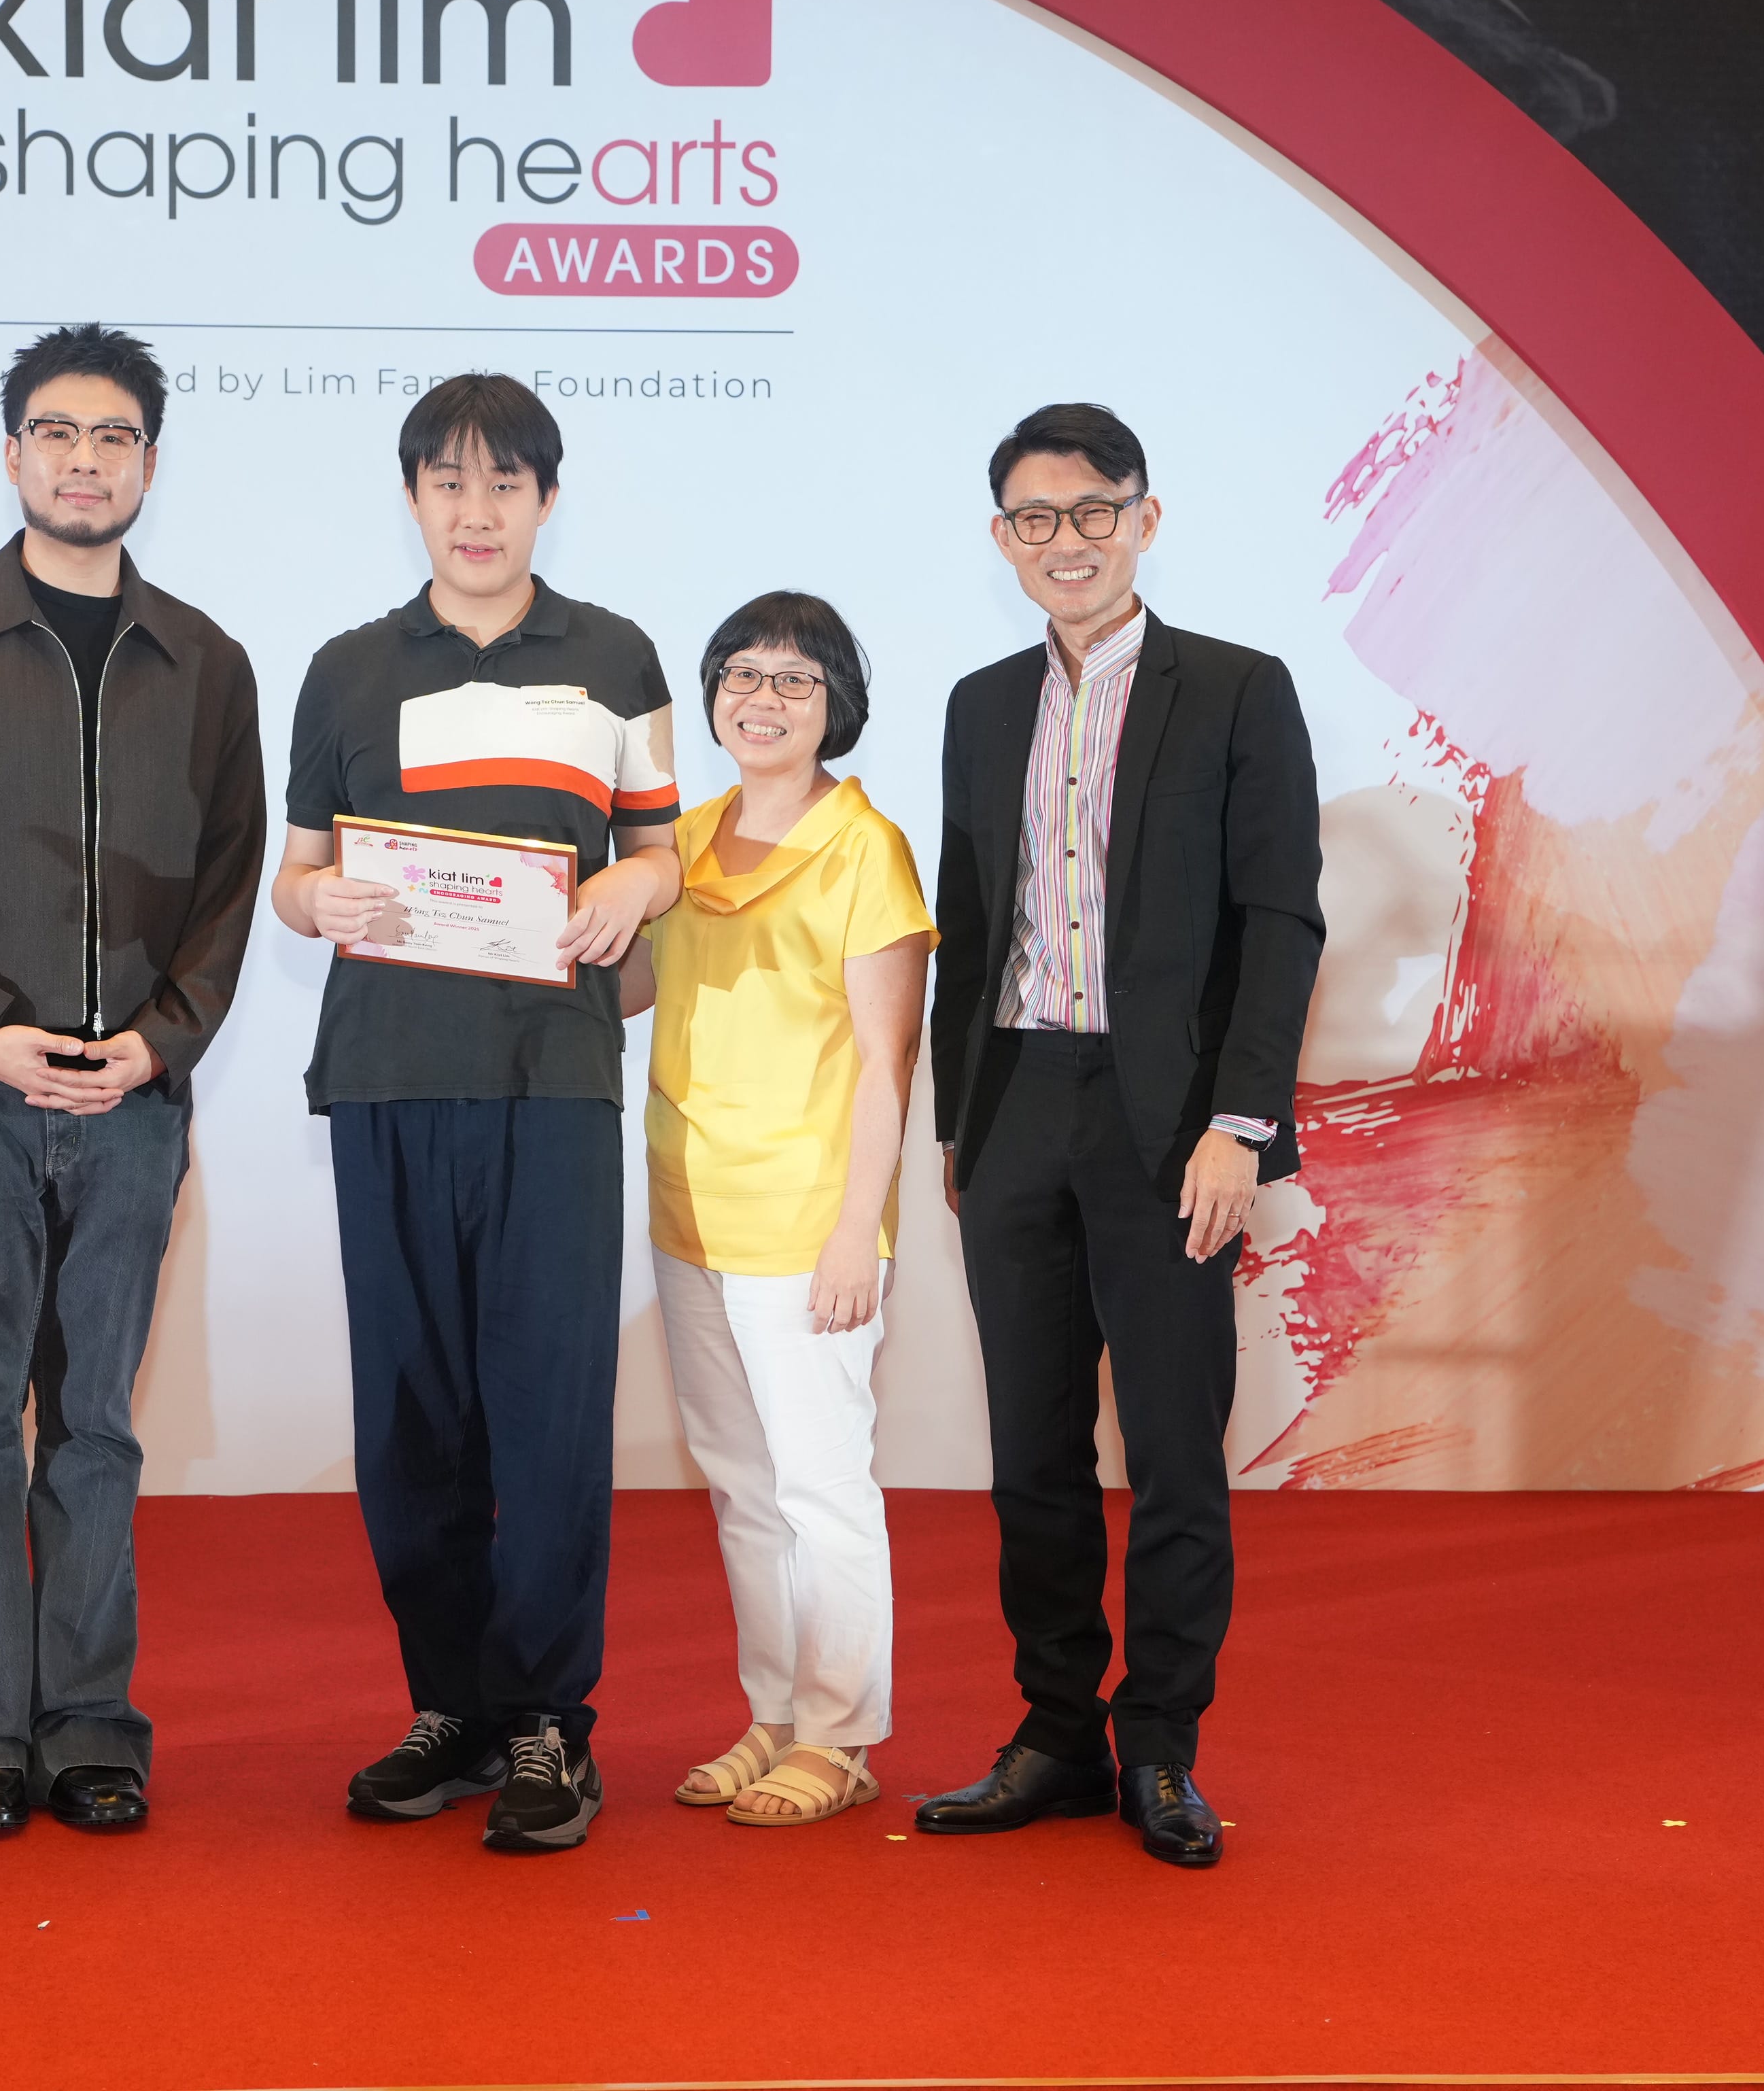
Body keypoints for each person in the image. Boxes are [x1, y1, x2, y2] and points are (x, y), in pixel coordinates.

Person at [0, 323, 268, 1840]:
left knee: (99, 1430)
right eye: (59, 434)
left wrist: (164, 1041)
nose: (88, 461)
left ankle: (90, 1730)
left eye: (117, 437)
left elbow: (229, 879)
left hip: (135, 1107)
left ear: (153, 460)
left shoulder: (206, 662)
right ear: (13, 452)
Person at [269, 373, 680, 1855]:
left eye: (505, 483)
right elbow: (295, 870)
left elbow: (662, 854)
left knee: (552, 1412)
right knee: (412, 1419)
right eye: (447, 480)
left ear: (547, 500)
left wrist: (640, 883)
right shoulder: (344, 668)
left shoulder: (618, 658)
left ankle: (548, 1729)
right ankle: (449, 1705)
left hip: (555, 1082)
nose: (477, 509)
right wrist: (315, 897)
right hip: (386, 1074)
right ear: (412, 497)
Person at [911, 400, 1324, 1871]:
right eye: (1035, 518)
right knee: (1030, 1450)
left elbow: (1280, 924)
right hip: (1018, 1101)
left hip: (1171, 1129)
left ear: (1145, 518)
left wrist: (1240, 1124)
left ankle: (1160, 1747)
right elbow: (973, 927)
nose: (1066, 541)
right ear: (1002, 540)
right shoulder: (973, 705)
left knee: (1170, 1450)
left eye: (1093, 512)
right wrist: (965, 1120)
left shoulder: (1235, 691)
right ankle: (1055, 1736)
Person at [619, 591, 931, 1830]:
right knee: (744, 1489)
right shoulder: (682, 843)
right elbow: (630, 985)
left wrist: (859, 1229)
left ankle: (844, 1734)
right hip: (688, 1207)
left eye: (796, 682)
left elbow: (886, 1060)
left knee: (822, 1489)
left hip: (809, 1220)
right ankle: (775, 1714)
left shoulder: (869, 848)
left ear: (837, 705)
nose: (763, 699)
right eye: (741, 675)